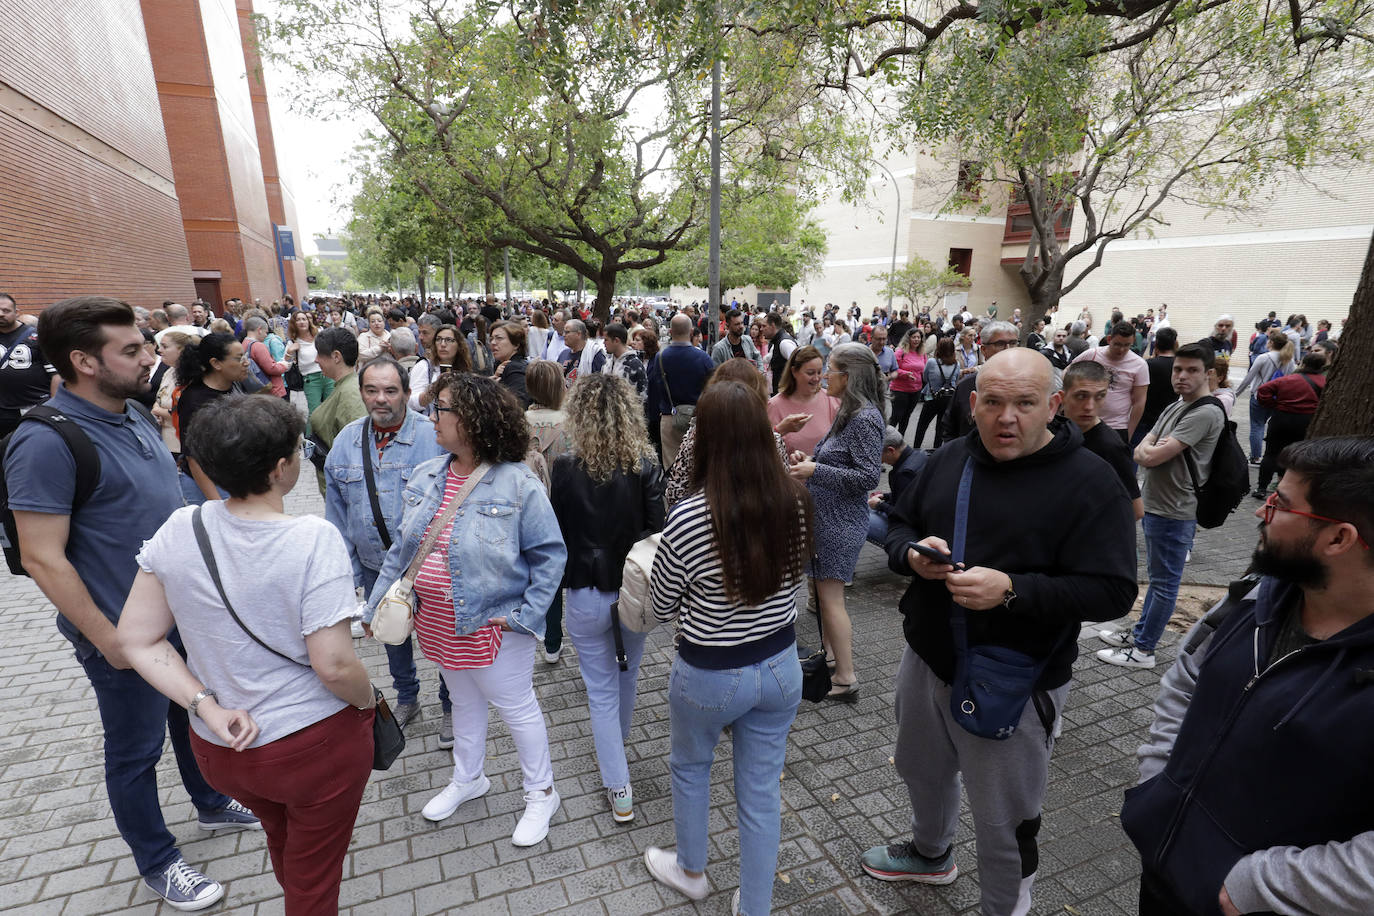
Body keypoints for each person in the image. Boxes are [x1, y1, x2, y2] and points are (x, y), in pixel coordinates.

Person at [5, 297, 256, 912]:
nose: (151, 356)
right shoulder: (43, 442)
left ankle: (211, 802)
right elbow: (42, 556)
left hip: (178, 621)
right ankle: (158, 860)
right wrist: (109, 639)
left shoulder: (135, 413)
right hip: (122, 636)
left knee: (188, 718)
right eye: (133, 349)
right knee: (135, 749)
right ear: (83, 361)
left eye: (146, 345)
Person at [864, 348, 1137, 914]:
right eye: (992, 402)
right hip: (927, 658)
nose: (1005, 418)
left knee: (1004, 819)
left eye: (1024, 403)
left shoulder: (1091, 482)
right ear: (973, 404)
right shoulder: (948, 459)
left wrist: (1013, 590)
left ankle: (1005, 906)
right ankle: (931, 853)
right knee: (921, 768)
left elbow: (1113, 592)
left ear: (1053, 406)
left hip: (1016, 678)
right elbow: (899, 522)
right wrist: (911, 557)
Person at [119, 395, 374, 915]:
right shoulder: (311, 537)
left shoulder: (181, 527)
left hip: (221, 747)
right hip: (311, 746)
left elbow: (137, 640)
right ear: (282, 469)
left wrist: (207, 706)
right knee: (315, 876)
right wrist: (369, 701)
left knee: (285, 840)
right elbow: (334, 664)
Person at [1122, 436, 1374, 916]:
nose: (1263, 513)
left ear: (1339, 538)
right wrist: (1160, 778)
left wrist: (1258, 885)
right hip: (1166, 872)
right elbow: (1187, 679)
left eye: (1281, 504)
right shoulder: (1251, 597)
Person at [362, 374, 566, 845]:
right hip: (436, 622)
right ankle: (468, 778)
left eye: (443, 409)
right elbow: (402, 551)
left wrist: (523, 618)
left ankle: (542, 793)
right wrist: (373, 610)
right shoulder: (427, 474)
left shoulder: (518, 483)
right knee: (465, 702)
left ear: (473, 420)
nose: (432, 417)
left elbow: (551, 556)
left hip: (494, 625)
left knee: (517, 708)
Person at [644, 380, 812, 916]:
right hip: (782, 666)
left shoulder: (690, 516)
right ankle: (755, 906)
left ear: (707, 439)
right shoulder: (796, 500)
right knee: (760, 792)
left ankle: (692, 871)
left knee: (691, 768)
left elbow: (664, 602)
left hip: (710, 673)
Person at [548, 375, 664, 825]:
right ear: (628, 413)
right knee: (627, 677)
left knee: (600, 691)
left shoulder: (565, 467)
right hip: (634, 592)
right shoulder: (645, 464)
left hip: (582, 590)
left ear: (581, 415)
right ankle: (615, 762)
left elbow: (558, 536)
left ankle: (619, 785)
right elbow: (658, 533)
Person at [324, 356, 450, 734]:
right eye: (372, 390)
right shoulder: (346, 441)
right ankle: (407, 696)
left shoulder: (435, 438)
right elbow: (337, 518)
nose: (381, 399)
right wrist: (349, 577)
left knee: (441, 636)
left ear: (408, 394)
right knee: (391, 635)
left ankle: (451, 702)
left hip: (431, 566)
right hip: (376, 564)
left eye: (391, 390)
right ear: (360, 392)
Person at [1099, 344, 1225, 669]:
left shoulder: (1205, 412)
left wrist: (1147, 452)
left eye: (1192, 370)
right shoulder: (1177, 405)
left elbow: (1150, 455)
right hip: (1158, 504)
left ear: (1208, 373)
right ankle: (1141, 633)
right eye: (1177, 370)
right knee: (1157, 579)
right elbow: (1144, 445)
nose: (1182, 376)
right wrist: (1147, 451)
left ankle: (1144, 650)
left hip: (1175, 510)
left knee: (1166, 583)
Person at [789, 342, 885, 701]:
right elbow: (842, 463)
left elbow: (866, 477)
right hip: (829, 519)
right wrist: (812, 460)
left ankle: (846, 678)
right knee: (829, 599)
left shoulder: (864, 417)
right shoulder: (851, 412)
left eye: (830, 368)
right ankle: (832, 660)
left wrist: (816, 469)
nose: (825, 375)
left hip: (840, 522)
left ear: (849, 376)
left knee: (831, 601)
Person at [668, 358, 790, 509]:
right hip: (759, 522)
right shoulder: (771, 440)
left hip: (704, 523)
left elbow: (675, 493)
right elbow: (782, 489)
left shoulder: (697, 437)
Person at [1061, 361, 1145, 520]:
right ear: (1063, 396)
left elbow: (1135, 511)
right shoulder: (1056, 427)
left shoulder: (1110, 447)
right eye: (1081, 396)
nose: (1089, 406)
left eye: (1099, 396)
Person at [176, 332, 250, 505]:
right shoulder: (195, 400)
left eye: (245, 356)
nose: (246, 363)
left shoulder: (235, 384)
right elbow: (193, 458)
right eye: (239, 358)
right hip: (210, 486)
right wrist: (216, 504)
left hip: (236, 480)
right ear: (216, 363)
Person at [1251, 351, 1327, 499]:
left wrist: (1273, 404)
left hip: (1281, 418)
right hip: (1306, 421)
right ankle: (1286, 489)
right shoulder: (1324, 382)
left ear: (1303, 363)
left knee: (1271, 453)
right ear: (1322, 367)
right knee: (1295, 455)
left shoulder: (1288, 379)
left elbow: (1263, 390)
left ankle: (1261, 488)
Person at [1070, 320, 1150, 442]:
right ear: (1109, 339)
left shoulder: (1140, 365)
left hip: (1116, 426)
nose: (1122, 349)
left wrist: (1129, 433)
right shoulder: (1093, 354)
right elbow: (1067, 372)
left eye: (1127, 345)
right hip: (1085, 421)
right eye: (1117, 344)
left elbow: (1139, 401)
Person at [653, 314, 716, 469]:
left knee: (671, 465)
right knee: (697, 464)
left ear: (670, 331)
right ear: (691, 331)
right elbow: (713, 389)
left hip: (670, 416)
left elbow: (656, 387)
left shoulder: (660, 358)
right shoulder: (703, 358)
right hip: (697, 417)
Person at [940, 321, 1020, 443]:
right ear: (984, 350)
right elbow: (950, 427)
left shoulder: (1030, 385)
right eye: (1000, 344)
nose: (1008, 349)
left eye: (1013, 343)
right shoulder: (966, 385)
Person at [0, 292, 60, 438]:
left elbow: (56, 375)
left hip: (34, 407)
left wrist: (54, 408)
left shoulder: (37, 336)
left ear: (16, 312)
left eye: (6, 310)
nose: (1, 314)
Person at [1234, 328, 1296, 465]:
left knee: (1257, 426)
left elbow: (1248, 378)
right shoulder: (1289, 361)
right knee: (1269, 426)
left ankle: (1255, 457)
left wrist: (1236, 394)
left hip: (1259, 396)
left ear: (1271, 342)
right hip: (1277, 399)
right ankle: (1269, 455)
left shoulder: (1263, 358)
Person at [766, 345, 839, 459]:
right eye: (810, 373)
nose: (816, 378)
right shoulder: (774, 405)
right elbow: (764, 448)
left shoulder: (832, 399)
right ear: (794, 371)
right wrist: (780, 430)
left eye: (819, 372)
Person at [866, 425, 929, 547]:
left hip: (913, 531)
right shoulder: (920, 456)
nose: (879, 461)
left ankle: (900, 549)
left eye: (878, 455)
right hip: (924, 523)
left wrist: (880, 505)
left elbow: (903, 515)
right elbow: (909, 497)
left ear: (891, 450)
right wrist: (885, 496)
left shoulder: (904, 474)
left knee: (860, 517)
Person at [150, 331, 196, 459]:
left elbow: (184, 413)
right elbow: (159, 398)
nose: (159, 350)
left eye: (165, 346)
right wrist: (157, 411)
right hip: (165, 440)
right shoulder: (169, 371)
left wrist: (157, 410)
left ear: (181, 350)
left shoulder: (190, 377)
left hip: (181, 445)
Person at [410, 323, 472, 412]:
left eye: (449, 340)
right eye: (438, 339)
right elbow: (410, 403)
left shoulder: (463, 369)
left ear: (459, 344)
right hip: (429, 422)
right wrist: (433, 389)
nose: (442, 344)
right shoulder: (424, 366)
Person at [913, 336, 960, 449]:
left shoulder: (932, 362)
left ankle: (916, 448)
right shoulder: (956, 364)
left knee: (922, 425)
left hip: (931, 398)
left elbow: (925, 378)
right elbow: (957, 379)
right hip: (948, 399)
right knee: (940, 428)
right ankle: (936, 451)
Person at [1135, 326, 1178, 449]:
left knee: (1137, 449)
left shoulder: (1148, 365)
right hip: (1167, 418)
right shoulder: (1179, 365)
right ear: (1174, 343)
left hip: (1145, 417)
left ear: (1156, 343)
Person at [889, 328, 926, 437]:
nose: (916, 339)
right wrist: (905, 373)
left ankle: (900, 440)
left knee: (906, 417)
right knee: (896, 416)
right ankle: (886, 440)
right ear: (908, 338)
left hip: (915, 390)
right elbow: (893, 368)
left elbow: (924, 369)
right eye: (914, 337)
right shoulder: (901, 351)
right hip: (899, 390)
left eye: (918, 337)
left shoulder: (922, 353)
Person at [243, 316, 291, 399]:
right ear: (259, 329)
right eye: (266, 332)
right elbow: (271, 368)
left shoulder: (243, 343)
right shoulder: (258, 346)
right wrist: (283, 365)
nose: (266, 335)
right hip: (271, 391)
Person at [600, 322, 648, 400]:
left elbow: (642, 397)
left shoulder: (634, 365)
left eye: (606, 340)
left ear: (616, 340)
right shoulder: (607, 361)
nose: (603, 343)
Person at [488, 320, 530, 408]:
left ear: (516, 344)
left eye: (499, 338)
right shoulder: (501, 365)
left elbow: (517, 405)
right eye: (491, 338)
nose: (493, 342)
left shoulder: (516, 368)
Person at [557, 319, 606, 385]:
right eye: (564, 332)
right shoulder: (563, 354)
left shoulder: (594, 354)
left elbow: (600, 382)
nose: (563, 335)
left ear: (578, 334)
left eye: (567, 332)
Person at [761, 312, 798, 395]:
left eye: (764, 326)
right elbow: (768, 359)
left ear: (773, 325)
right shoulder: (777, 341)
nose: (761, 329)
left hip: (786, 395)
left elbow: (799, 365)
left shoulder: (784, 343)